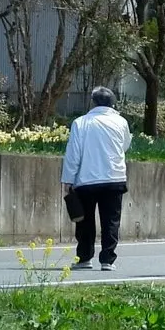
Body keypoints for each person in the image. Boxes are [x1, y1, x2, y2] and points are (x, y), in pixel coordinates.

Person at [61, 86, 130, 271]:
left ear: (93, 102)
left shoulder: (81, 122)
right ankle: (107, 260)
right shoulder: (121, 122)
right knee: (111, 221)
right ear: (112, 103)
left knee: (85, 221)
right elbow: (124, 146)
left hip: (86, 180)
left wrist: (68, 180)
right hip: (114, 178)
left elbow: (73, 154)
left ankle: (84, 258)